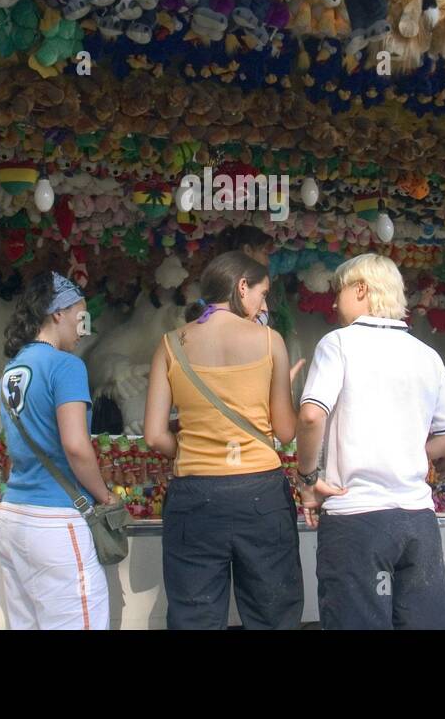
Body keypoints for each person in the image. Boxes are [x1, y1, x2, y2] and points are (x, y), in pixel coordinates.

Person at [296, 253, 445, 630]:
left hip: (355, 518)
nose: (334, 301)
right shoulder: (427, 355)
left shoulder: (338, 343)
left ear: (361, 290)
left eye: (338, 291)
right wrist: (413, 453)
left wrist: (307, 479)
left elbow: (311, 415)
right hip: (417, 521)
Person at [144, 251, 302, 630]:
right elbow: (285, 431)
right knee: (272, 615)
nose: (263, 305)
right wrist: (284, 389)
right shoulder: (270, 341)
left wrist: (188, 449)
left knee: (194, 617)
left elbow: (153, 435)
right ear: (241, 287)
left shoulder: (171, 344)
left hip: (194, 497)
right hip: (260, 494)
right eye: (262, 294)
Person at [0, 271, 119, 630]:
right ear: (57, 313)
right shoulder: (66, 365)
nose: (84, 329)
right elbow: (76, 446)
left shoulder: (12, 368)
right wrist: (103, 495)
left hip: (13, 516)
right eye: (81, 317)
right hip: (55, 522)